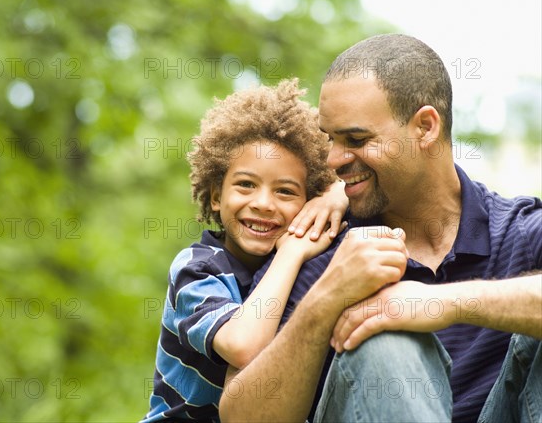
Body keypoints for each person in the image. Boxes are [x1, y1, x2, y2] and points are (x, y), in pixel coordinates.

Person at [219, 34, 542, 422]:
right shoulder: (318, 249)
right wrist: (325, 302)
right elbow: (239, 415)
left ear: (425, 127)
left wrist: (441, 303)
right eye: (329, 139)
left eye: (356, 139)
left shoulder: (521, 230)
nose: (334, 160)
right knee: (384, 337)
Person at [142, 79, 349, 422]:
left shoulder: (309, 267)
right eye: (246, 185)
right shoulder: (197, 269)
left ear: (308, 202)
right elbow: (244, 346)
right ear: (216, 196)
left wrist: (336, 194)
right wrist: (290, 253)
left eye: (285, 192)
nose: (263, 204)